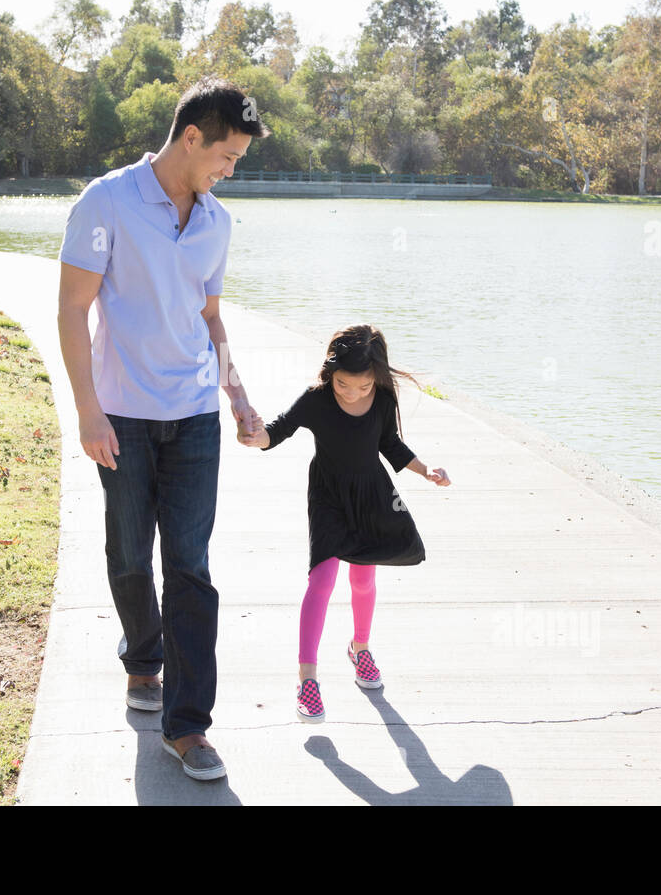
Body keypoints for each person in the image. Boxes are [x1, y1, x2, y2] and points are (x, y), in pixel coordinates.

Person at [57, 77, 269, 781]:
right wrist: (87, 408)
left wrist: (237, 394)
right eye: (227, 156)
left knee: (189, 565)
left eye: (237, 160)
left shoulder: (216, 222)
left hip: (195, 416)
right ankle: (142, 658)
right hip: (121, 413)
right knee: (127, 553)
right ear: (191, 138)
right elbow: (72, 310)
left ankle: (189, 726)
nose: (229, 171)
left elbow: (209, 316)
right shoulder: (107, 200)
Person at [240, 324, 450, 722]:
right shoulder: (316, 401)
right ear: (329, 373)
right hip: (328, 497)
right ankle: (308, 678)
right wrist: (256, 438)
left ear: (377, 378)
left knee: (363, 580)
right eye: (343, 385)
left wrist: (425, 471)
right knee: (321, 580)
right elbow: (278, 431)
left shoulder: (384, 400)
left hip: (369, 494)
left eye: (363, 386)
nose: (352, 393)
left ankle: (360, 648)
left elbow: (390, 445)